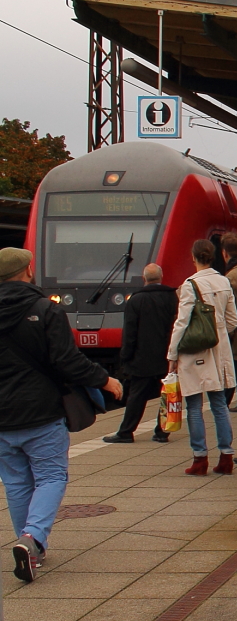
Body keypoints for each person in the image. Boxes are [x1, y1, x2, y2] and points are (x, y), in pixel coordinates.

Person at [0, 247, 123, 580]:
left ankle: (31, 550)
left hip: (2, 419)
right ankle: (33, 538)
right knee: (51, 477)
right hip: (42, 411)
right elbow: (67, 361)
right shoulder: (44, 309)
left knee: (15, 483)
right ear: (27, 270)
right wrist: (106, 380)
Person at [167, 240, 237, 476]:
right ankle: (226, 456)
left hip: (195, 351)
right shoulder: (224, 281)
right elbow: (233, 321)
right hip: (220, 350)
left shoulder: (191, 285)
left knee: (194, 405)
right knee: (219, 404)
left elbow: (182, 322)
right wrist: (217, 332)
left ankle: (200, 459)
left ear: (193, 257)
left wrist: (173, 353)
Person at [104, 264, 176, 443]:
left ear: (144, 279)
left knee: (137, 396)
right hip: (167, 356)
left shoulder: (136, 300)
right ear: (161, 277)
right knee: (167, 392)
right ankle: (162, 431)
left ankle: (126, 431)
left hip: (142, 357)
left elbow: (130, 332)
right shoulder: (172, 297)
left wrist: (125, 356)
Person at [221, 233, 237, 412]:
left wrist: (228, 333)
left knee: (234, 369)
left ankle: (224, 403)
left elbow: (232, 310)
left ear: (225, 253)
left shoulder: (230, 278)